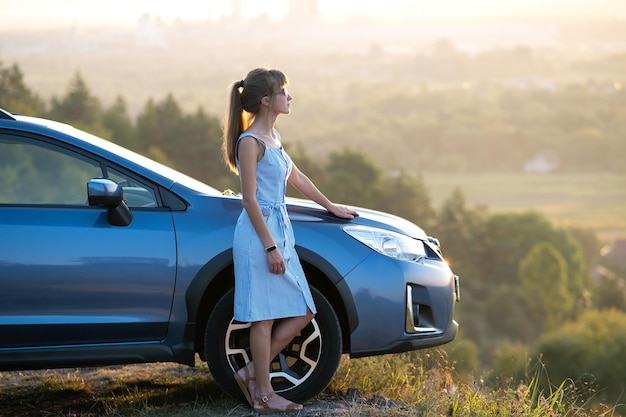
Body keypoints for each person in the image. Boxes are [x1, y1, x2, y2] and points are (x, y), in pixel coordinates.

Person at [222, 68, 358, 413]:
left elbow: (296, 176)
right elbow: (250, 200)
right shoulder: (249, 142)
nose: (290, 97)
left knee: (305, 308)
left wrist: (331, 206)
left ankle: (253, 373)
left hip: (281, 231)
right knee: (263, 318)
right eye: (284, 92)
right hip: (259, 235)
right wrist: (270, 247)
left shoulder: (274, 138)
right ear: (267, 101)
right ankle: (264, 396)